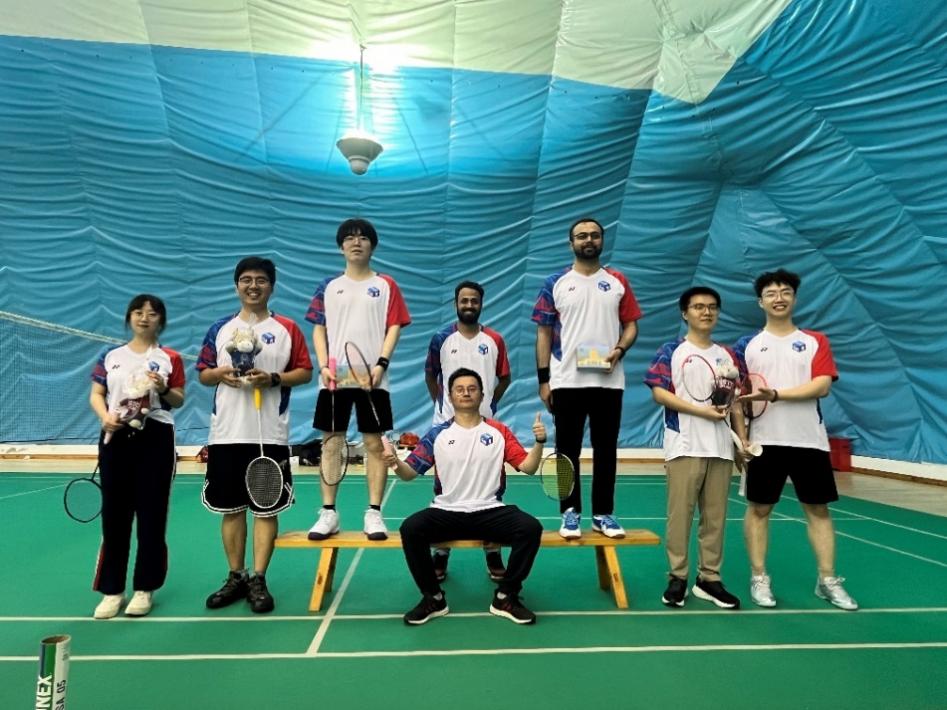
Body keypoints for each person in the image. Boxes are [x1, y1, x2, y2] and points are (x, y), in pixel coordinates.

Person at [735, 268, 857, 610]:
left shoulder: (816, 340)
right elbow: (738, 398)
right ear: (760, 302)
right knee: (759, 509)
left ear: (794, 298)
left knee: (818, 510)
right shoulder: (746, 346)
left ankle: (827, 580)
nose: (779, 298)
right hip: (764, 442)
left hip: (809, 441)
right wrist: (741, 440)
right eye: (771, 293)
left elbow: (822, 385)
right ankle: (759, 577)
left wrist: (776, 394)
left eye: (785, 292)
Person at [384, 369, 546, 625]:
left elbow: (528, 467)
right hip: (447, 511)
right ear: (450, 396)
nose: (466, 393)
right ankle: (433, 598)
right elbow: (409, 473)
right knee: (411, 529)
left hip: (489, 510)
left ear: (482, 395)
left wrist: (539, 442)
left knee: (530, 528)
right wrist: (394, 463)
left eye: (472, 388)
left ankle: (506, 596)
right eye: (459, 389)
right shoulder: (437, 434)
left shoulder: (499, 431)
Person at [197, 257, 313, 614]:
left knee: (265, 509)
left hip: (269, 434)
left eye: (261, 280)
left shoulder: (287, 328)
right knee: (231, 510)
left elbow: (305, 371)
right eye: (246, 279)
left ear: (271, 286)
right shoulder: (220, 329)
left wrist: (274, 378)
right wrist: (219, 373)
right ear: (237, 286)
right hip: (226, 433)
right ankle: (236, 576)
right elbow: (203, 373)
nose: (253, 286)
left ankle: (259, 579)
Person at [532, 217, 642, 539]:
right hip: (566, 381)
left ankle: (603, 514)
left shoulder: (617, 280)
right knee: (567, 450)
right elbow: (543, 333)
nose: (588, 240)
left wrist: (619, 349)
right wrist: (544, 380)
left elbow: (631, 325)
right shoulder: (555, 282)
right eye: (581, 236)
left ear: (602, 241)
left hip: (609, 381)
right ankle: (570, 513)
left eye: (594, 235)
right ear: (571, 243)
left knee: (606, 450)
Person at [306, 218, 411, 541]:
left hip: (372, 377)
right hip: (335, 376)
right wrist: (323, 365)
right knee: (331, 443)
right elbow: (318, 327)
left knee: (374, 443)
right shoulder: (329, 286)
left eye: (363, 238)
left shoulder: (386, 284)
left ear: (372, 246)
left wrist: (381, 364)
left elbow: (394, 326)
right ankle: (328, 512)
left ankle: (374, 513)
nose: (356, 242)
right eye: (349, 238)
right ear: (341, 247)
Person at [644, 286, 745, 609]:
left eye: (712, 307)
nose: (706, 312)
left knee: (715, 518)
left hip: (721, 448)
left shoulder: (727, 355)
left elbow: (735, 402)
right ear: (685, 313)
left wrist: (742, 441)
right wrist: (702, 412)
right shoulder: (671, 350)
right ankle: (678, 577)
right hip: (684, 445)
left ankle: (709, 579)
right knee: (680, 517)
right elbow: (659, 393)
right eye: (699, 306)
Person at [88, 294, 186, 619]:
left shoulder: (170, 358)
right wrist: (105, 417)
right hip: (116, 437)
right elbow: (97, 393)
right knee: (114, 517)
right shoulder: (111, 356)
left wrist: (162, 387)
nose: (145, 318)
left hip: (156, 438)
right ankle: (112, 591)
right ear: (129, 317)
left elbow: (179, 399)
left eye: (152, 313)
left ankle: (145, 588)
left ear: (161, 321)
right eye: (138, 312)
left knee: (151, 516)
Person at [424, 280, 511, 582]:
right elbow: (431, 374)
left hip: (484, 427)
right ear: (456, 304)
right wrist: (441, 404)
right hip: (448, 425)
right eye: (464, 300)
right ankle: (441, 551)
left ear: (481, 304)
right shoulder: (441, 338)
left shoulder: (495, 339)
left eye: (474, 301)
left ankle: (493, 551)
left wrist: (490, 404)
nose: (469, 305)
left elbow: (504, 377)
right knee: (445, 489)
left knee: (492, 487)